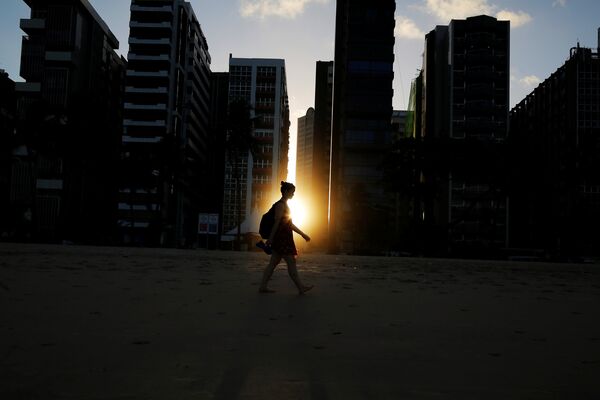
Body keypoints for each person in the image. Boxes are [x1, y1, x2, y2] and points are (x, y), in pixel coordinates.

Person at [259, 181, 313, 295]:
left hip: (283, 238)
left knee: (273, 262)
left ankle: (263, 286)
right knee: (290, 261)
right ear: (286, 191)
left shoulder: (285, 205)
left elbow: (289, 224)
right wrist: (271, 239)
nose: (293, 194)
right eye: (292, 192)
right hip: (281, 240)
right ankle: (300, 287)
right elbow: (276, 223)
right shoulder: (280, 205)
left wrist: (303, 234)